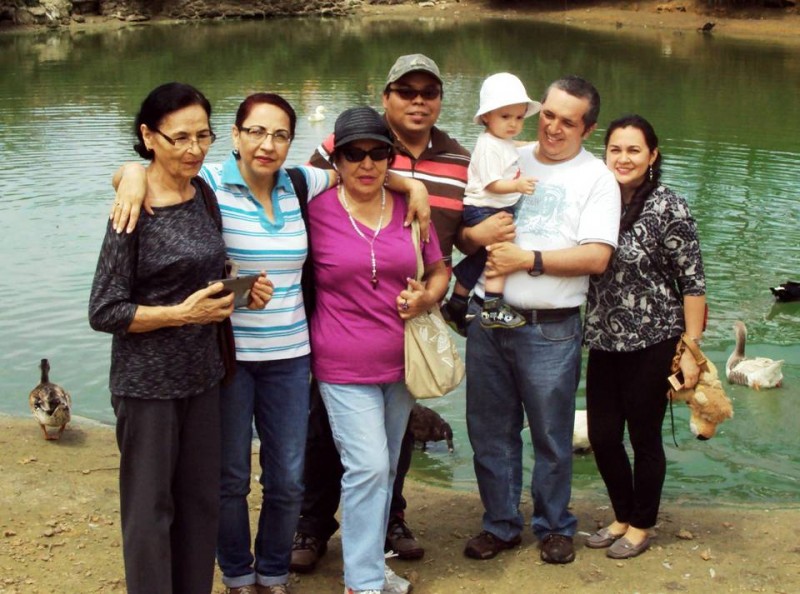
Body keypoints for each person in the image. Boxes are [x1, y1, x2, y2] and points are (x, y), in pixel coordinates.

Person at [111, 92, 429, 594]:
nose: (268, 144)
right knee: (231, 476)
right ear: (235, 136)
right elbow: (155, 171)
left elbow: (363, 169)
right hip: (229, 357)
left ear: (291, 142)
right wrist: (128, 174)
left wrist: (412, 185)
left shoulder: (300, 183)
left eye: (280, 134)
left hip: (292, 356)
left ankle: (274, 571)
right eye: (256, 132)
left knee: (287, 478)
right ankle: (238, 573)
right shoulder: (209, 181)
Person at [293, 53, 489, 570]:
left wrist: (440, 289)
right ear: (387, 97)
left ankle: (386, 528)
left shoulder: (461, 159)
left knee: (390, 454)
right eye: (407, 91)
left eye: (428, 92)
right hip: (339, 337)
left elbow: (469, 231)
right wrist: (409, 182)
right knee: (339, 448)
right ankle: (314, 528)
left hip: (409, 336)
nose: (418, 100)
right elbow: (280, 188)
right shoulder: (333, 173)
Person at [88, 82, 272, 594]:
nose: (194, 149)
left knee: (199, 504)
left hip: (204, 376)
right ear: (149, 137)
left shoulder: (202, 193)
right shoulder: (133, 208)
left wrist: (239, 290)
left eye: (203, 136)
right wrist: (179, 314)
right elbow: (105, 309)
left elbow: (206, 269)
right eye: (179, 138)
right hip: (147, 387)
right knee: (150, 513)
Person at [462, 75, 621, 565]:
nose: (552, 128)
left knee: (553, 434)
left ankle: (554, 524)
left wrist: (526, 259)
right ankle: (502, 523)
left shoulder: (597, 178)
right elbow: (465, 234)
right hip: (490, 315)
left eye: (567, 122)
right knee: (490, 428)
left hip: (550, 324)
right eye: (547, 114)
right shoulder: (508, 153)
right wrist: (475, 239)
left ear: (587, 129)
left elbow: (596, 257)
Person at [307, 106, 449, 594]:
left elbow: (439, 270)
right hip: (341, 363)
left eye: (377, 153)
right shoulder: (315, 209)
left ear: (390, 157)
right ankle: (362, 583)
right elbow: (246, 173)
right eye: (353, 154)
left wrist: (427, 297)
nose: (366, 164)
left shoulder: (410, 208)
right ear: (337, 159)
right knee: (366, 466)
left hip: (401, 362)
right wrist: (135, 173)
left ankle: (369, 567)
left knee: (384, 467)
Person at [583, 114, 706, 559]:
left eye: (634, 149)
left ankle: (641, 524)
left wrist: (691, 349)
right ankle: (620, 514)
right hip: (602, 338)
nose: (623, 158)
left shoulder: (668, 206)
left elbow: (693, 283)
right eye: (615, 149)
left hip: (654, 339)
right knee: (602, 435)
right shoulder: (597, 199)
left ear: (652, 155)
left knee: (644, 437)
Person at [442, 72, 539, 332]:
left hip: (494, 207)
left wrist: (530, 144)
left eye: (518, 117)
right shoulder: (487, 146)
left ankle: (457, 303)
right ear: (487, 116)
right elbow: (491, 183)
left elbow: (509, 147)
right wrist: (518, 185)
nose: (513, 124)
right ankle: (492, 307)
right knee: (500, 253)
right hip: (484, 207)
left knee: (485, 257)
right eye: (505, 117)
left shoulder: (500, 141)